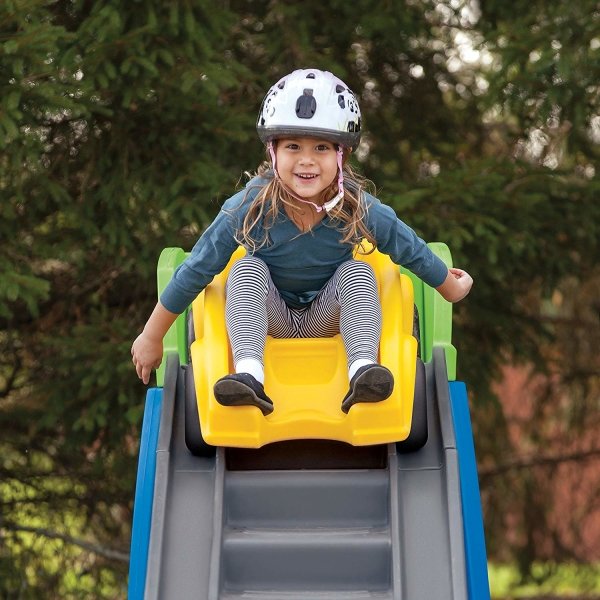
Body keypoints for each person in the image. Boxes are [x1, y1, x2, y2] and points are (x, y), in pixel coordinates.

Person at [131, 68, 473, 415]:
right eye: (293, 145)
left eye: (321, 147)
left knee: (358, 273)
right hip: (270, 317)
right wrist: (152, 335)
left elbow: (407, 245)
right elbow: (197, 267)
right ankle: (249, 375)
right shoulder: (250, 207)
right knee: (246, 268)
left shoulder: (355, 206)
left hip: (327, 316)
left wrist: (448, 287)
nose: (307, 159)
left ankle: (364, 372)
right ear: (272, 152)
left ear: (341, 156)